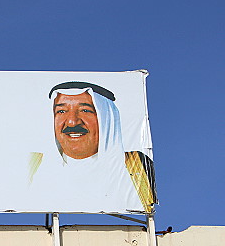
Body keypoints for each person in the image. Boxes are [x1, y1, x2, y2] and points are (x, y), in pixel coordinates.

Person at [28, 81, 156, 212]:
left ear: (106, 118)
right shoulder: (33, 166)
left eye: (85, 110)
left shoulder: (138, 165)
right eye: (61, 111)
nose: (72, 122)